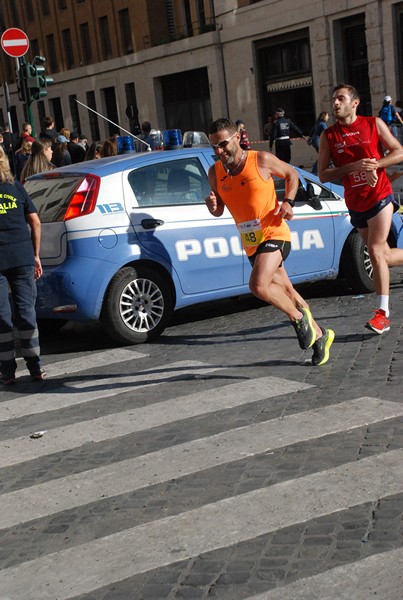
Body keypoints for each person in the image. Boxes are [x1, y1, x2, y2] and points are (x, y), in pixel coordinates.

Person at [205, 117, 334, 366]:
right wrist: (212, 206)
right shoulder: (215, 172)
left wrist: (288, 201)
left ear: (236, 138)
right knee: (287, 290)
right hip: (251, 242)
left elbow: (292, 174)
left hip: (275, 233)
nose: (219, 151)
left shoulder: (260, 160)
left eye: (222, 144)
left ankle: (298, 319)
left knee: (259, 286)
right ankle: (320, 335)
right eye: (214, 147)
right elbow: (219, 209)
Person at [318, 83, 403, 334]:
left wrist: (375, 166)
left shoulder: (373, 124)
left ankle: (382, 314)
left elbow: (399, 152)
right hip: (355, 203)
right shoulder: (328, 136)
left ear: (354, 103)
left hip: (380, 196)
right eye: (333, 99)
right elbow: (323, 174)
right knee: (383, 257)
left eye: (340, 99)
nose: (335, 103)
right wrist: (352, 167)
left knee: (375, 250)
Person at [0, 145, 44, 384]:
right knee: (26, 312)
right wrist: (35, 255)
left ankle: (7, 372)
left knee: (1, 317)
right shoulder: (16, 188)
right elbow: (36, 223)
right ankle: (35, 367)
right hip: (22, 257)